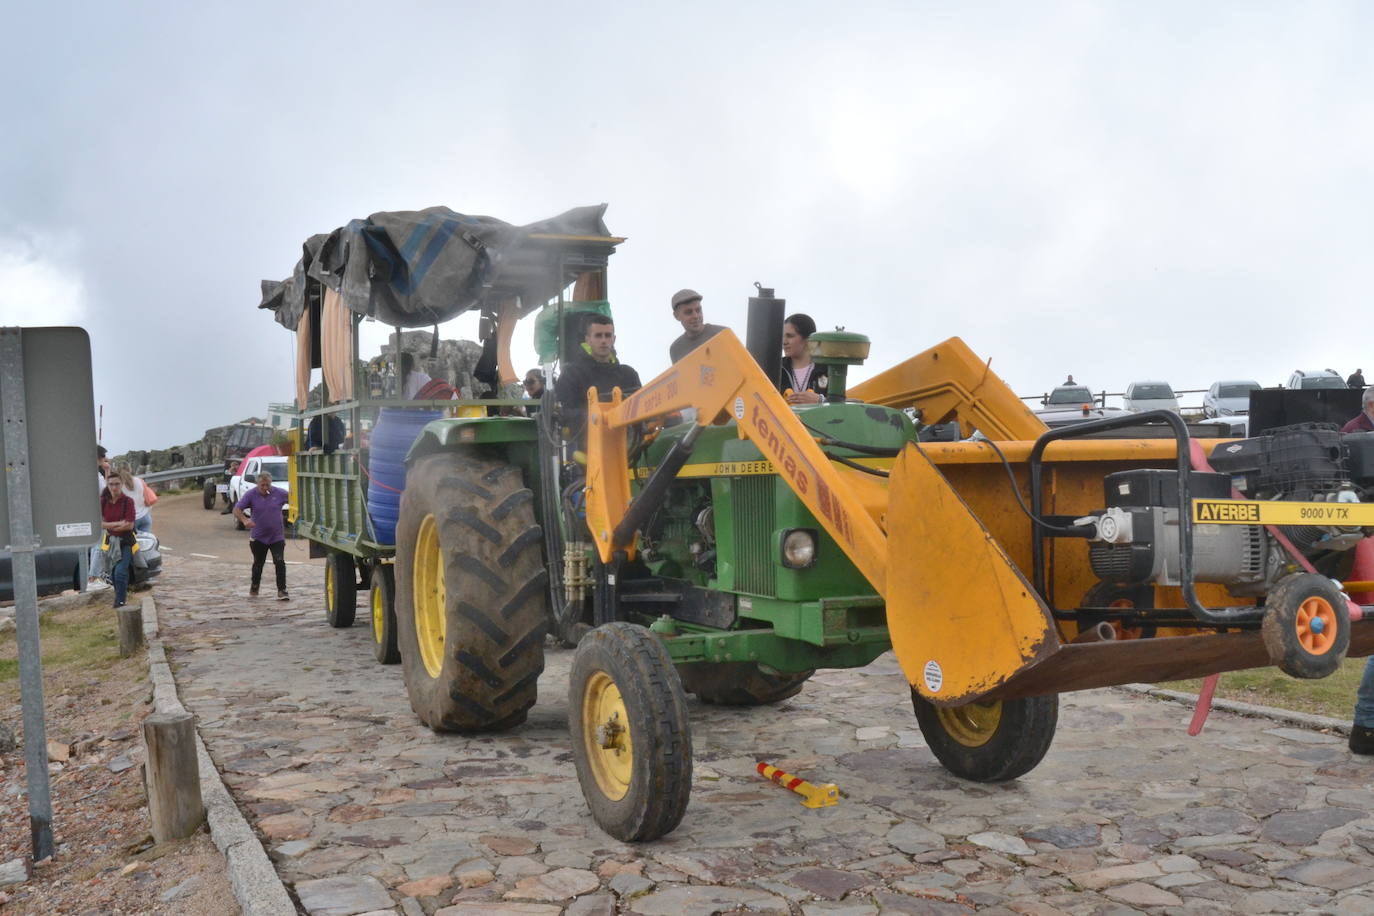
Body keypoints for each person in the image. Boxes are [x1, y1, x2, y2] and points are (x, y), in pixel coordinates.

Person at [557, 315, 642, 438]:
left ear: (614, 339)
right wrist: (600, 417)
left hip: (630, 444)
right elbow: (564, 413)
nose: (603, 340)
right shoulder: (572, 373)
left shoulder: (629, 374)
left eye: (607, 335)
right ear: (588, 340)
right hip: (587, 447)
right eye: (598, 335)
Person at [233, 471, 291, 600]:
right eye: (262, 485)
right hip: (258, 537)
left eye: (268, 485)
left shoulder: (279, 493)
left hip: (276, 536)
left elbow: (295, 501)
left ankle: (282, 590)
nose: (265, 488)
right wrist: (244, 520)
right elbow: (237, 509)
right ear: (257, 484)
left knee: (280, 561)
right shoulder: (251, 495)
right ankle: (254, 587)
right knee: (258, 563)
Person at [100, 475, 136, 609]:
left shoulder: (128, 502)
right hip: (110, 542)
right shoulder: (103, 501)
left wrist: (108, 525)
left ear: (121, 485)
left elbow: (129, 525)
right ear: (107, 485)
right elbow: (99, 524)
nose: (114, 487)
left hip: (125, 541)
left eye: (117, 484)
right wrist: (117, 524)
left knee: (120, 571)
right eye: (111, 484)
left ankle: (120, 602)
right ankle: (119, 597)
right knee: (113, 572)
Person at [778, 313, 827, 405]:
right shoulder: (776, 368)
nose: (784, 342)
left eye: (790, 336)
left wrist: (820, 400)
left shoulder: (827, 369)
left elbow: (842, 406)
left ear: (808, 339)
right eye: (783, 336)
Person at [668, 289, 725, 363]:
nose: (695, 316)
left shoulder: (722, 334)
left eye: (698, 310)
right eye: (688, 312)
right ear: (676, 316)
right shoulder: (676, 349)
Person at [117, 465, 157, 533]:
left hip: (130, 521)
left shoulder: (117, 486)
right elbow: (147, 502)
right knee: (147, 542)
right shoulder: (140, 481)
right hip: (144, 517)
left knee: (132, 543)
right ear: (130, 470)